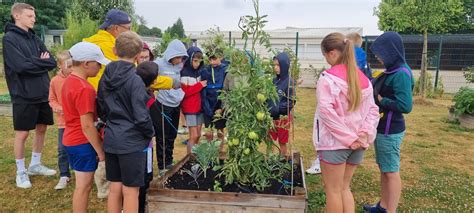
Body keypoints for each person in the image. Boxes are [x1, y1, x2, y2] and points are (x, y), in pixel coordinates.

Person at [314, 32, 379, 213]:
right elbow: (373, 111)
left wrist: (350, 138)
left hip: (334, 145)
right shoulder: (365, 80)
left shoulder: (327, 79)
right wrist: (363, 135)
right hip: (357, 145)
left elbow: (326, 112)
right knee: (344, 188)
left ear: (332, 53)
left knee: (333, 191)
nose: (326, 59)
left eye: (325, 55)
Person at [97, 31, 154, 213]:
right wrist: (150, 132)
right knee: (131, 191)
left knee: (115, 188)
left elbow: (101, 106)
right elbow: (141, 116)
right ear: (138, 56)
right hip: (131, 141)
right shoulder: (135, 81)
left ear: (114, 50)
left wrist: (110, 122)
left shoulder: (105, 76)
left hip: (112, 137)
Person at [2, 3, 58, 188]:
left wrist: (35, 62)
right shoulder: (9, 38)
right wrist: (38, 61)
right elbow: (19, 66)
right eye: (29, 16)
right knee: (23, 133)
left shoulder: (34, 38)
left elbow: (51, 62)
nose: (34, 19)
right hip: (23, 93)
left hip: (42, 91)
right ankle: (21, 171)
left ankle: (35, 164)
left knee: (42, 128)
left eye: (34, 16)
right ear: (17, 16)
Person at [363, 32, 414, 213]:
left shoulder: (400, 74)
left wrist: (382, 100)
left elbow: (406, 105)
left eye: (380, 53)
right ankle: (383, 206)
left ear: (391, 51)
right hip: (383, 128)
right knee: (384, 169)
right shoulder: (393, 70)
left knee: (391, 172)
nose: (378, 57)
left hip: (390, 130)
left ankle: (390, 210)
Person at [62, 42, 109, 212]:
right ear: (86, 63)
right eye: (98, 64)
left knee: (82, 187)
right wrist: (101, 152)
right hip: (82, 142)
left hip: (70, 138)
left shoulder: (68, 81)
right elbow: (87, 126)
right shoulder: (85, 88)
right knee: (84, 188)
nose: (100, 68)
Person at [154, 39, 188, 171]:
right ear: (171, 55)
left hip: (176, 104)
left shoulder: (180, 66)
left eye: (182, 57)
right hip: (163, 104)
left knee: (172, 134)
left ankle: (169, 161)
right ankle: (162, 166)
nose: (180, 60)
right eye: (178, 57)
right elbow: (150, 79)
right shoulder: (158, 64)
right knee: (163, 135)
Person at [135, 61, 160, 213]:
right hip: (144, 144)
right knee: (145, 176)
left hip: (129, 142)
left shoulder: (130, 92)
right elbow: (155, 125)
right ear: (154, 80)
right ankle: (140, 207)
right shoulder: (149, 99)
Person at [49, 50, 73, 190]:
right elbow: (51, 99)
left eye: (73, 65)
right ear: (60, 65)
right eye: (68, 66)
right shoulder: (55, 81)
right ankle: (64, 174)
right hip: (63, 123)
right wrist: (58, 108)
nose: (71, 69)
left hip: (78, 122)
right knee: (62, 150)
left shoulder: (77, 79)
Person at [201, 48, 229, 152]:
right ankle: (210, 153)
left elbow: (226, 90)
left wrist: (221, 108)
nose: (212, 62)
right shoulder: (205, 71)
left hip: (220, 106)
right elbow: (203, 91)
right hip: (208, 105)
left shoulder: (225, 70)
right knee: (208, 133)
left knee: (220, 132)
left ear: (221, 57)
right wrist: (206, 108)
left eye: (215, 59)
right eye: (210, 59)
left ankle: (220, 152)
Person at [269, 52, 296, 157]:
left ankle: (283, 159)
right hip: (271, 117)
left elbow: (291, 101)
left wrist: (277, 108)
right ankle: (270, 159)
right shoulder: (273, 81)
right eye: (274, 65)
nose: (275, 68)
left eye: (278, 65)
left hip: (283, 118)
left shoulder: (290, 82)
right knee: (270, 139)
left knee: (282, 141)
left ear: (285, 66)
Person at [181, 47, 207, 153]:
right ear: (189, 59)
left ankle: (195, 158)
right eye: (195, 61)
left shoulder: (199, 72)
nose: (197, 64)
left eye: (199, 61)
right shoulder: (183, 72)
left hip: (199, 107)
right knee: (193, 135)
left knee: (198, 135)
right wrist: (199, 85)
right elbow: (184, 93)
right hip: (190, 109)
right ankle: (189, 159)